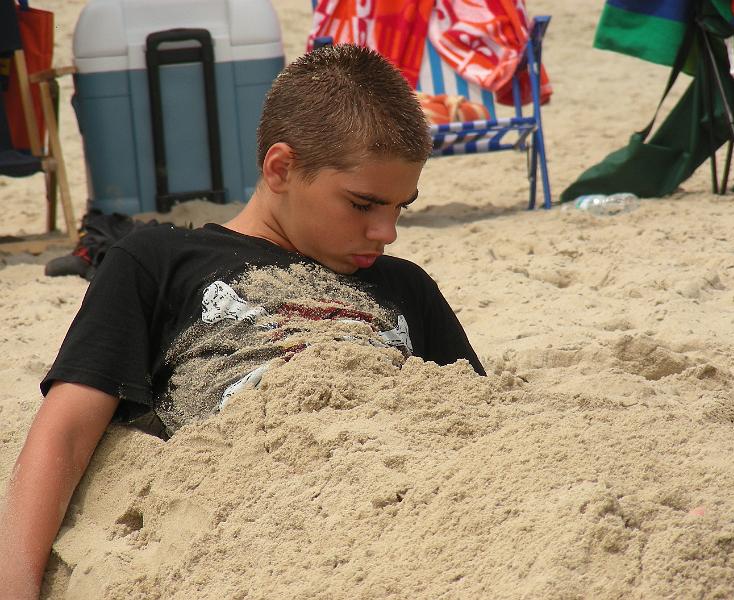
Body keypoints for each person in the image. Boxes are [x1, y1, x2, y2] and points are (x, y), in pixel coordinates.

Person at [0, 44, 484, 598]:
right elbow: (64, 432)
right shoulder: (159, 260)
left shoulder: (407, 287)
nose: (386, 232)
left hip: (407, 529)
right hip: (256, 536)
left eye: (402, 207)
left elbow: (479, 428)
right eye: (361, 204)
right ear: (281, 168)